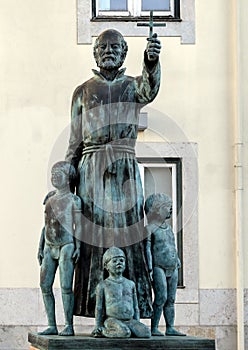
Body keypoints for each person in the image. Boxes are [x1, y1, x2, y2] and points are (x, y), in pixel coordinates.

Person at [65, 29, 161, 318]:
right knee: (93, 231)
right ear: (95, 53)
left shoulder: (132, 86)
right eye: (103, 47)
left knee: (128, 232)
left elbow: (149, 89)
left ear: (123, 53)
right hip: (91, 169)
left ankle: (133, 307)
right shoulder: (82, 91)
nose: (108, 51)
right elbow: (74, 137)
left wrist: (151, 60)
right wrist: (68, 170)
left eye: (115, 47)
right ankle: (93, 307)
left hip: (124, 169)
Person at [37, 161, 82, 336]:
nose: (54, 176)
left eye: (59, 173)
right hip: (49, 245)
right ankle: (52, 324)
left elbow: (79, 226)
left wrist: (78, 246)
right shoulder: (49, 199)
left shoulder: (74, 200)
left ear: (68, 178)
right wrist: (40, 246)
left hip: (67, 245)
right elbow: (45, 225)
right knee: (45, 285)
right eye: (53, 173)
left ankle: (68, 325)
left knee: (65, 286)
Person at [144, 193, 186, 336]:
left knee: (171, 299)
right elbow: (148, 250)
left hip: (173, 266)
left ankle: (170, 327)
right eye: (167, 207)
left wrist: (177, 259)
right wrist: (149, 267)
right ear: (156, 209)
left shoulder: (168, 229)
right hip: (158, 267)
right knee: (161, 297)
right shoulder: (150, 229)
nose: (171, 210)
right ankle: (154, 327)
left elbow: (172, 245)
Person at [91, 247, 151, 338]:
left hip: (129, 321)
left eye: (121, 260)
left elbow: (135, 307)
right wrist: (98, 325)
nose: (119, 263)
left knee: (146, 333)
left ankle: (128, 330)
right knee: (124, 332)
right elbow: (99, 307)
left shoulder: (131, 284)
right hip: (112, 320)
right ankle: (103, 332)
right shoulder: (103, 285)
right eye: (114, 261)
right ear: (106, 266)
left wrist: (137, 322)